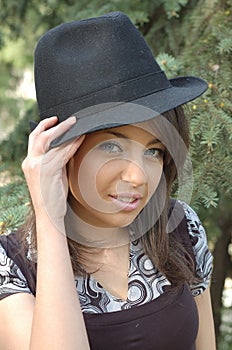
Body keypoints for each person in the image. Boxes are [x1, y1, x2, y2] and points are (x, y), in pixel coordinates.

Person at [0, 12, 216, 350]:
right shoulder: (12, 267)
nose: (138, 176)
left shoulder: (180, 229)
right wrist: (51, 221)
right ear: (61, 153)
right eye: (111, 146)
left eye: (154, 151)